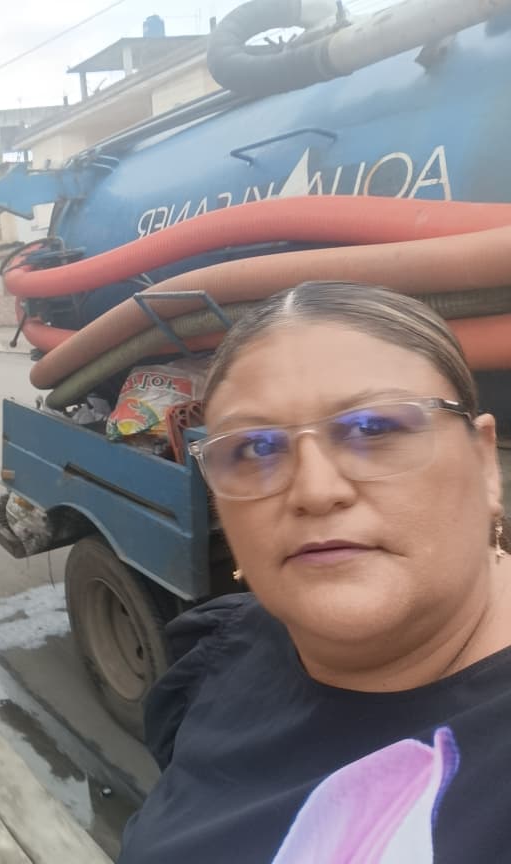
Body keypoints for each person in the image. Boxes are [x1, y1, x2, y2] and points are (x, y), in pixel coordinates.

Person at [117, 281, 507, 863]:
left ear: (484, 462)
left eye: (374, 429)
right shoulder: (221, 659)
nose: (315, 490)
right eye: (256, 448)